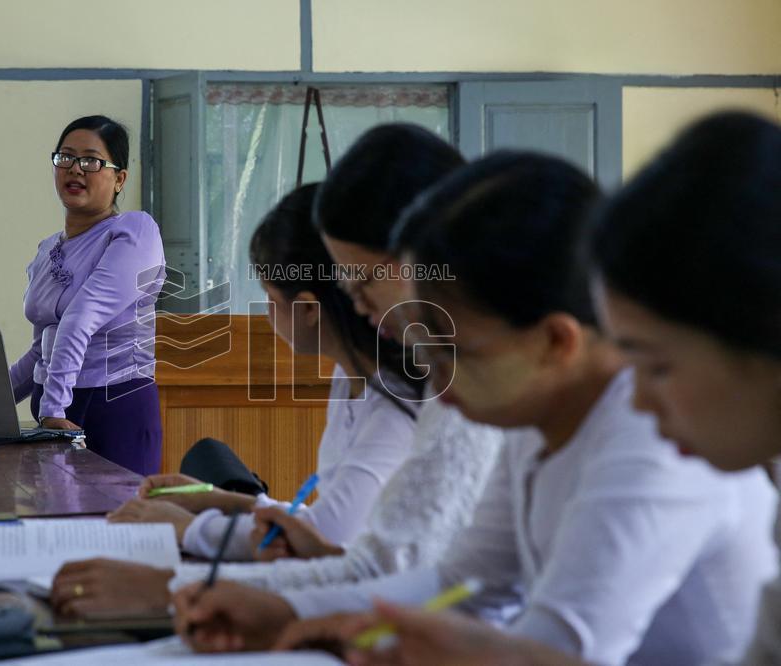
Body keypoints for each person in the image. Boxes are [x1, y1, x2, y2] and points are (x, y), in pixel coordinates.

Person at [172, 150, 778, 666]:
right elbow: (463, 585)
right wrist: (285, 609)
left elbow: (563, 648)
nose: (439, 386)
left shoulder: (649, 434)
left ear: (554, 342)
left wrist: (332, 621)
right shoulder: (534, 416)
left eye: (454, 354)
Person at [107, 183, 420, 559]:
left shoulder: (397, 399)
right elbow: (322, 526)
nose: (268, 312)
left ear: (308, 308)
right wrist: (221, 500)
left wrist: (188, 527)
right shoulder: (349, 377)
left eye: (270, 298)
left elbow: (327, 536)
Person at [9, 115, 166, 474]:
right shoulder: (48, 249)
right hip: (54, 409)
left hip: (114, 407)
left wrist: (53, 409)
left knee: (116, 511)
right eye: (65, 157)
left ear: (119, 179)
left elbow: (82, 317)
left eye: (91, 161)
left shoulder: (134, 232)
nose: (75, 169)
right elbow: (42, 349)